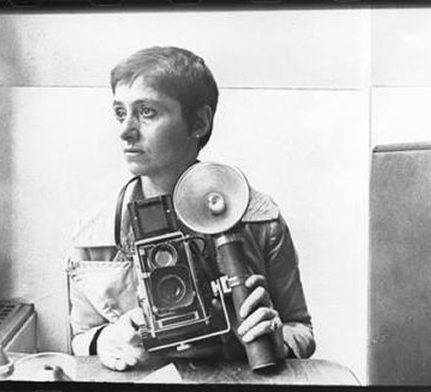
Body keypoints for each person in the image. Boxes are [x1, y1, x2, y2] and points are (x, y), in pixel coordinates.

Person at [66, 46, 315, 372]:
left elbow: (302, 330)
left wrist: (277, 339)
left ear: (198, 121)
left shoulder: (258, 220)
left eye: (147, 112)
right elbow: (80, 338)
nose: (125, 131)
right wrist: (104, 341)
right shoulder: (93, 234)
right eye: (119, 113)